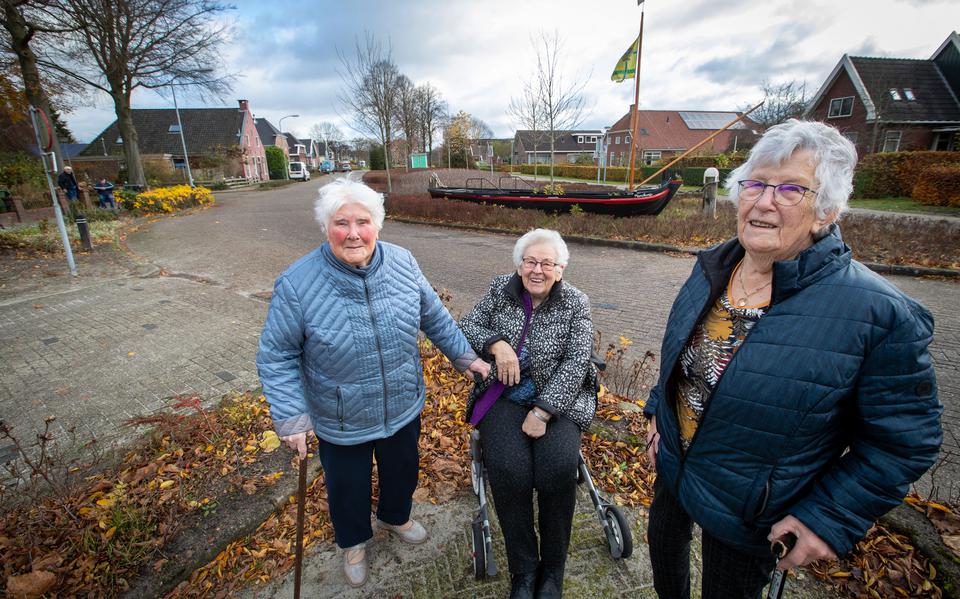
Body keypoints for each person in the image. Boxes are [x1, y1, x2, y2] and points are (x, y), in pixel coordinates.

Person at [644, 119, 942, 599]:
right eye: (756, 183)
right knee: (664, 563)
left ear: (825, 211)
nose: (764, 201)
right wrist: (656, 412)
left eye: (790, 189)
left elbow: (903, 443)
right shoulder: (711, 268)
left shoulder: (879, 314)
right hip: (674, 470)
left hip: (750, 512)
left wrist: (827, 517)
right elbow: (682, 359)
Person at [256, 179, 490, 588]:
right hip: (340, 414)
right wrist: (292, 415)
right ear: (326, 227)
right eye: (340, 222)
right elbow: (277, 355)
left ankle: (396, 516)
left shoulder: (402, 261)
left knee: (402, 471)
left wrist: (465, 357)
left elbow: (432, 315)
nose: (352, 233)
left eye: (362, 222)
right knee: (347, 487)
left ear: (377, 225)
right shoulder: (297, 283)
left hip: (401, 400)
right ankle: (354, 544)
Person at [460, 229, 598, 599]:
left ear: (560, 269)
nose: (537, 270)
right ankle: (524, 570)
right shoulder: (499, 290)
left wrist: (544, 410)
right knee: (508, 470)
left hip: (560, 398)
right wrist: (496, 344)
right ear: (520, 265)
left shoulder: (575, 302)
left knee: (556, 469)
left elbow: (577, 361)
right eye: (530, 261)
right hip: (503, 395)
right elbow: (468, 324)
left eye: (546, 263)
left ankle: (552, 570)